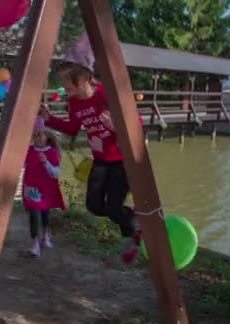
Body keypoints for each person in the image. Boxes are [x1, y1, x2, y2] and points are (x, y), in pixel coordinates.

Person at [39, 33, 142, 264]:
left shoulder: (108, 95)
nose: (64, 87)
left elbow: (137, 125)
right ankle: (134, 219)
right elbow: (74, 128)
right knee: (94, 205)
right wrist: (49, 119)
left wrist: (116, 127)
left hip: (121, 159)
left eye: (67, 81)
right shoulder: (75, 102)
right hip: (101, 160)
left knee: (113, 207)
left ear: (84, 77)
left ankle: (134, 233)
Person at [22, 116, 65, 257]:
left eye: (40, 135)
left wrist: (46, 162)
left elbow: (56, 173)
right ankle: (35, 243)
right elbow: (21, 164)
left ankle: (45, 235)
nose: (37, 138)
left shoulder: (52, 153)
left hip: (46, 189)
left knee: (45, 212)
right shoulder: (28, 150)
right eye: (35, 135)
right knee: (34, 213)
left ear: (47, 136)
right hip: (31, 188)